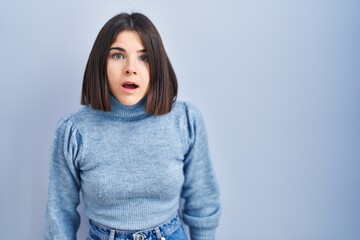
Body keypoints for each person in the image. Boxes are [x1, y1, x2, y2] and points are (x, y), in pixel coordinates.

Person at [43, 12, 221, 240]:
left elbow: (202, 200)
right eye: (118, 56)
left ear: (157, 65)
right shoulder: (74, 131)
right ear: (101, 62)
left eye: (144, 57)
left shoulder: (186, 120)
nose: (130, 68)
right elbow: (59, 214)